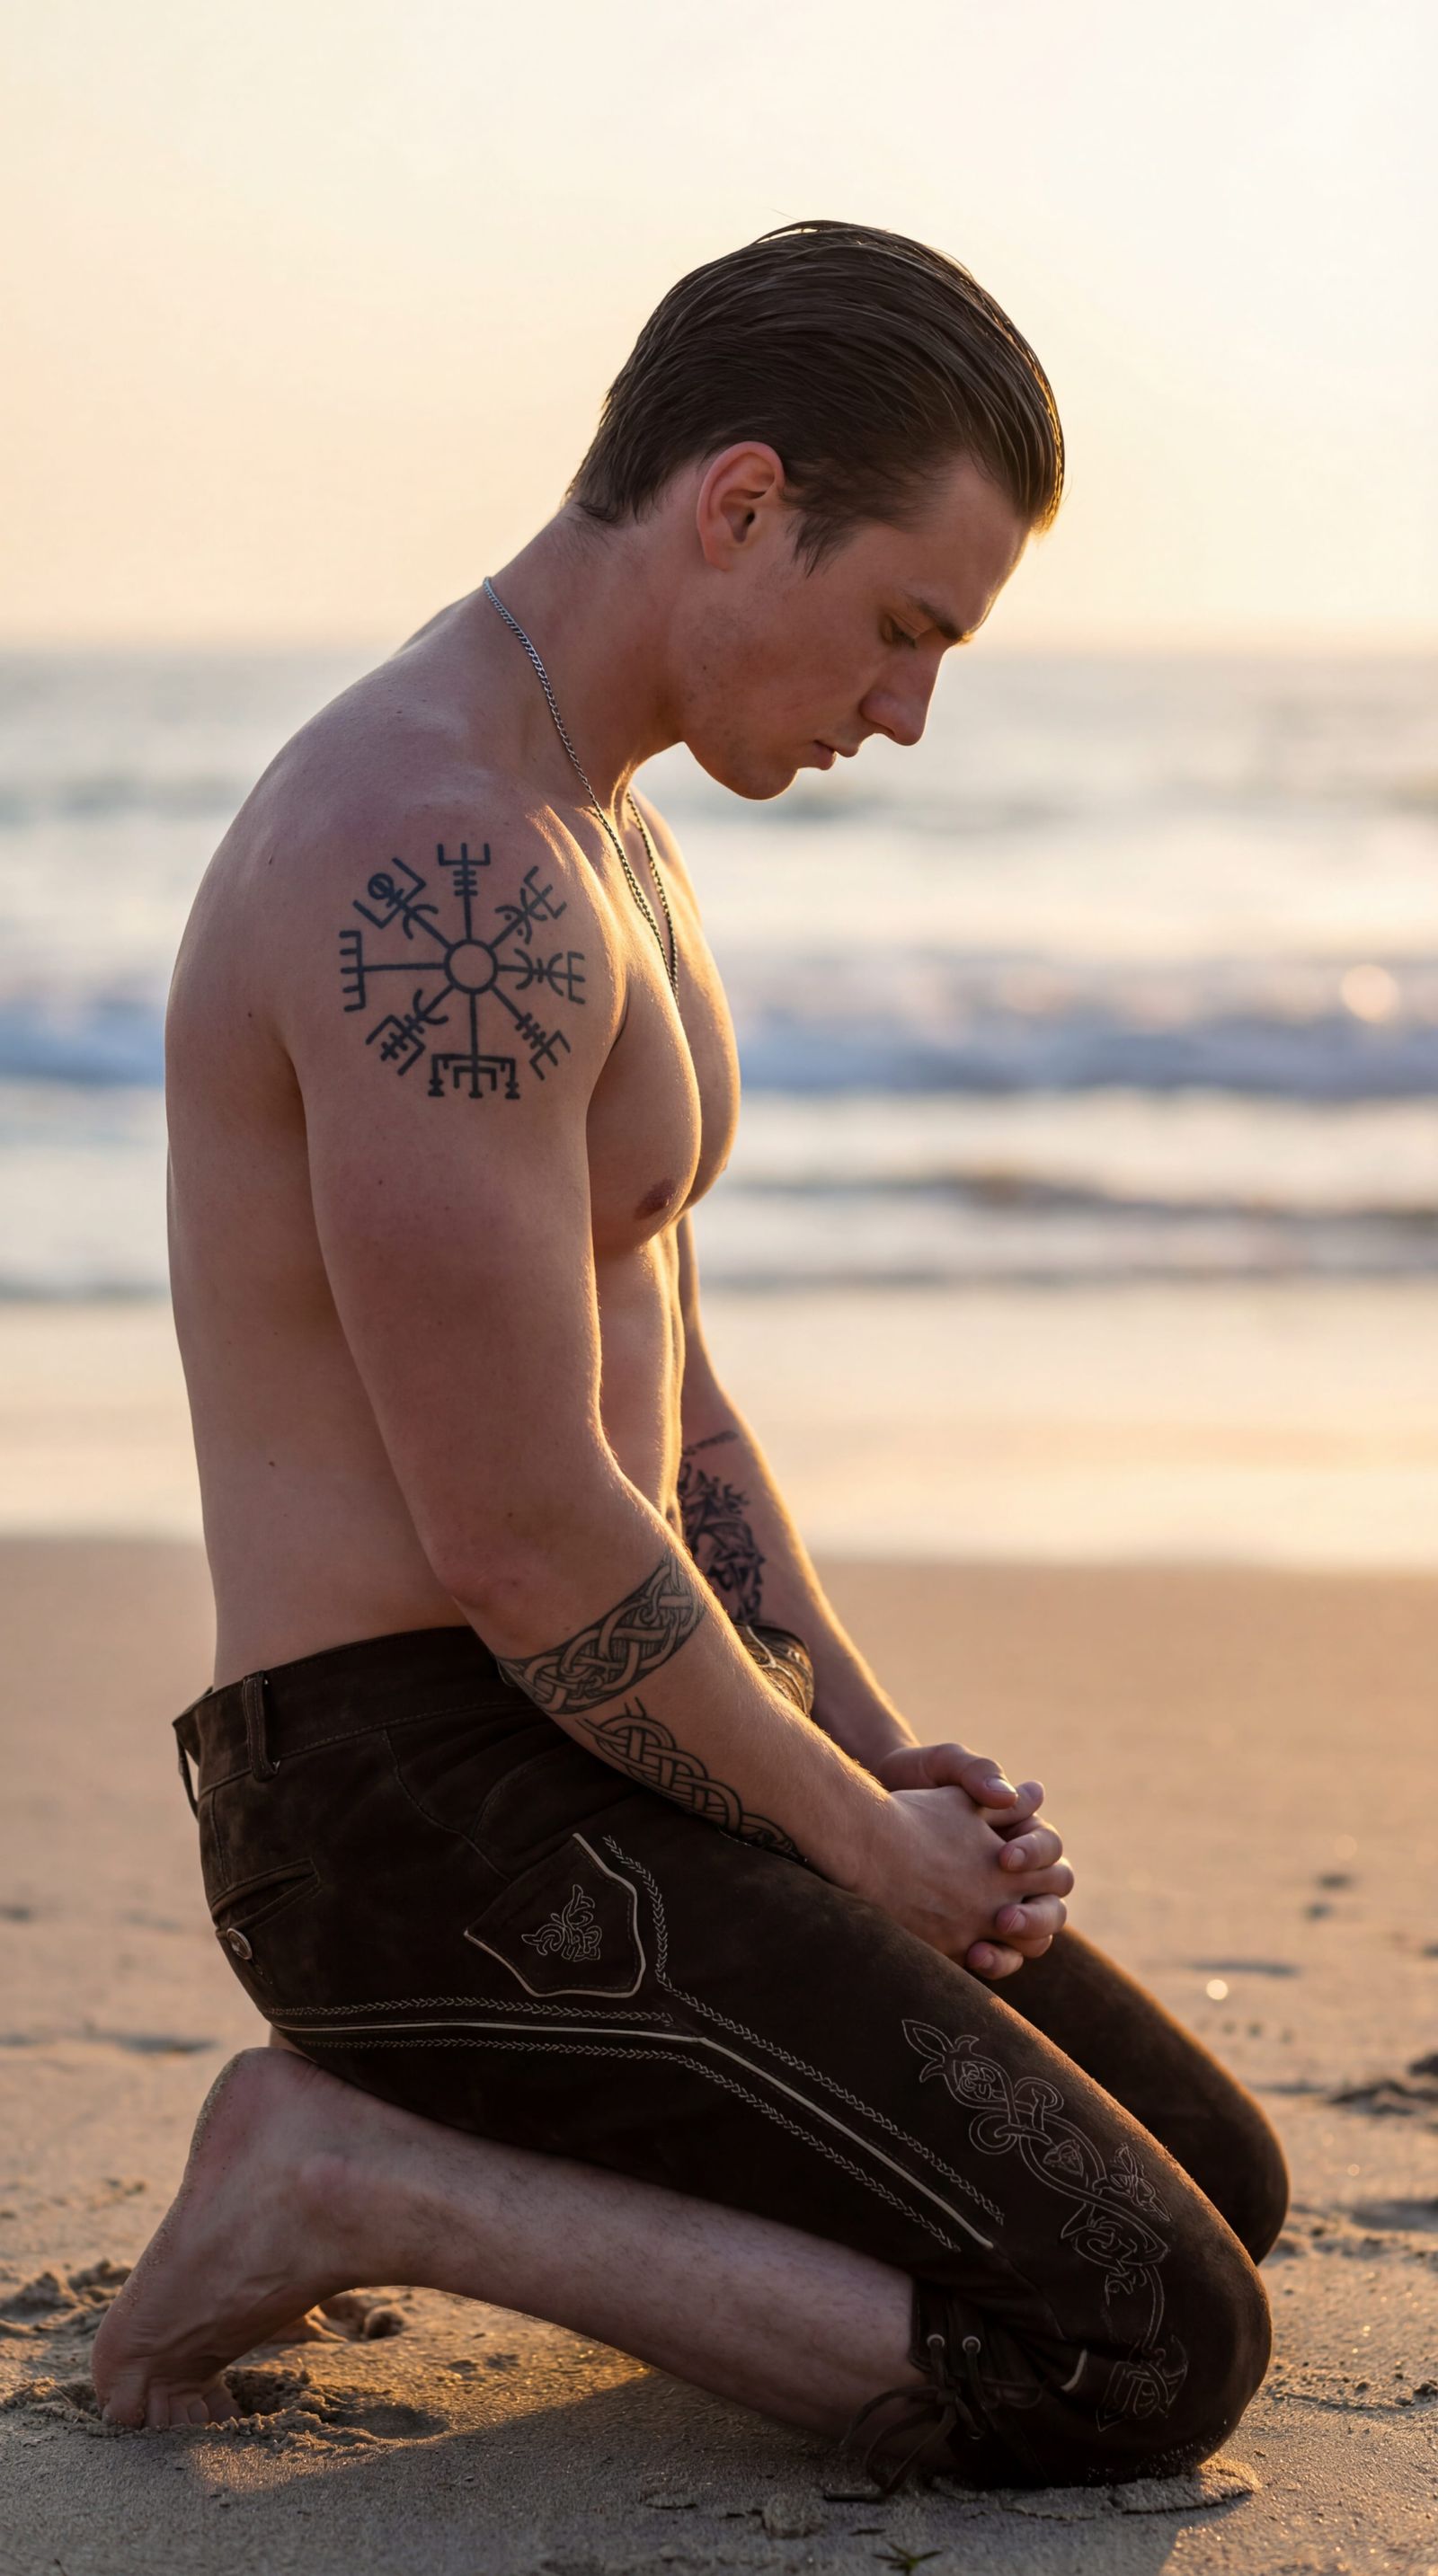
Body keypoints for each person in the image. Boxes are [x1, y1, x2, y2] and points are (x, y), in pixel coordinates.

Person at [94, 220, 1285, 2483]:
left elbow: (676, 1407)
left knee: (1208, 2186)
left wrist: (868, 1741)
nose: (906, 710)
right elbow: (524, 1532)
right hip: (407, 1813)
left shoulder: (603, 833)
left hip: (596, 1736)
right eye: (904, 627)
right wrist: (850, 1849)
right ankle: (345, 2173)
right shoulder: (431, 858)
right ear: (740, 506)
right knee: (1135, 2349)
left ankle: (530, 2168)